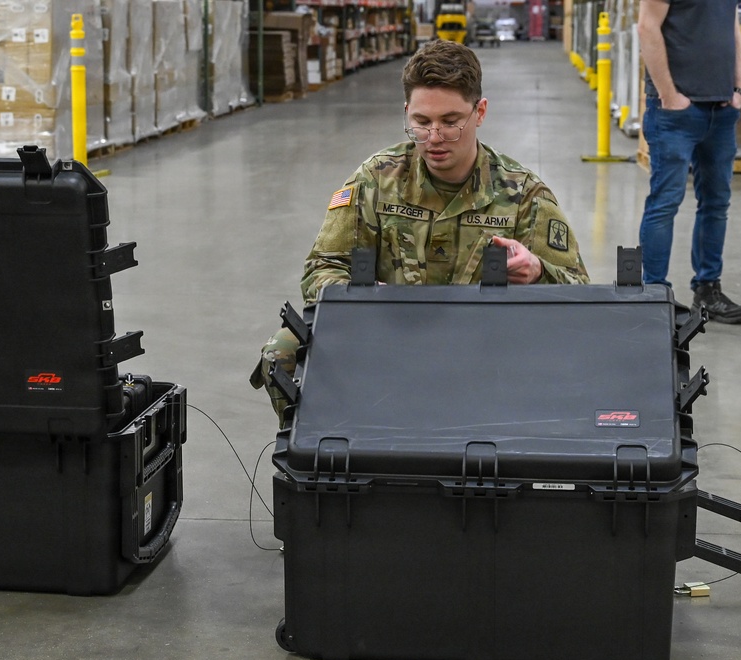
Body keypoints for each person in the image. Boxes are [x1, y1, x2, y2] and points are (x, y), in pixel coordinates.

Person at [250, 40, 590, 422]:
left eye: (450, 122)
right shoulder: (378, 179)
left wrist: (537, 273)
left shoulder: (523, 194)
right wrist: (359, 298)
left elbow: (580, 294)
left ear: (480, 112)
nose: (434, 137)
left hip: (486, 344)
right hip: (390, 336)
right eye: (422, 123)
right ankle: (327, 463)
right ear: (407, 112)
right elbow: (322, 266)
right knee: (281, 350)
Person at [637, 0, 741, 324]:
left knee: (716, 202)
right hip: (675, 112)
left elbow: (733, 26)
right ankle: (656, 294)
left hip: (722, 107)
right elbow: (647, 27)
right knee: (665, 202)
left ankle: (708, 290)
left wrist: (737, 87)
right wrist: (669, 95)